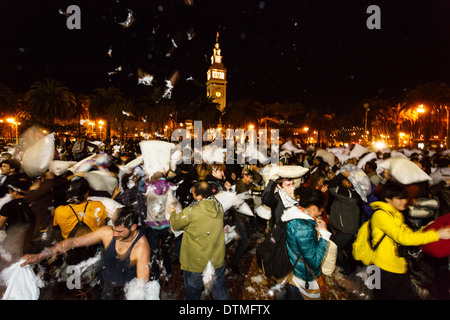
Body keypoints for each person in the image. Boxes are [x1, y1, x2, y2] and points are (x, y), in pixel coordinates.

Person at [20, 207, 151, 300]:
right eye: (114, 230)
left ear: (133, 227)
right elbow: (73, 242)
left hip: (125, 291)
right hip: (104, 285)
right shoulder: (107, 232)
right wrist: (40, 255)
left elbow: (140, 286)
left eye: (120, 232)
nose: (115, 234)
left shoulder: (141, 247)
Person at [369, 182, 450, 300]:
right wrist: (436, 234)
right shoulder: (381, 215)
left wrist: (428, 228)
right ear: (387, 199)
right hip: (381, 269)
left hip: (398, 266)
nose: (405, 201)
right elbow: (403, 238)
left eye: (405, 198)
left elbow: (410, 235)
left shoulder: (396, 214)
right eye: (400, 198)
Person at [169, 181, 228, 300]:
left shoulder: (192, 211)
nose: (192, 195)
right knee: (219, 292)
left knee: (192, 293)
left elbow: (175, 224)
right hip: (216, 260)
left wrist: (172, 213)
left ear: (199, 197)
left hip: (196, 263)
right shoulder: (218, 206)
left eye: (194, 193)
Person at [282, 187, 331, 300]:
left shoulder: (294, 215)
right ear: (314, 209)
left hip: (292, 269)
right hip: (302, 278)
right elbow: (314, 262)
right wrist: (324, 236)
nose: (322, 212)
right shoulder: (304, 228)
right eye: (321, 209)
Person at [328, 171, 362, 275]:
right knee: (349, 248)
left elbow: (332, 188)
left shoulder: (347, 194)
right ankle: (353, 267)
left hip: (346, 229)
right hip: (349, 227)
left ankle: (348, 269)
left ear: (349, 183)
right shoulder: (354, 192)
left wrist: (341, 175)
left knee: (335, 249)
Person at [230, 170, 255, 275]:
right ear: (244, 176)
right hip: (239, 217)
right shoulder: (237, 186)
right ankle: (234, 264)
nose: (251, 180)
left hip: (246, 216)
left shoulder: (246, 184)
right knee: (245, 242)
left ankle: (241, 246)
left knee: (246, 236)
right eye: (250, 177)